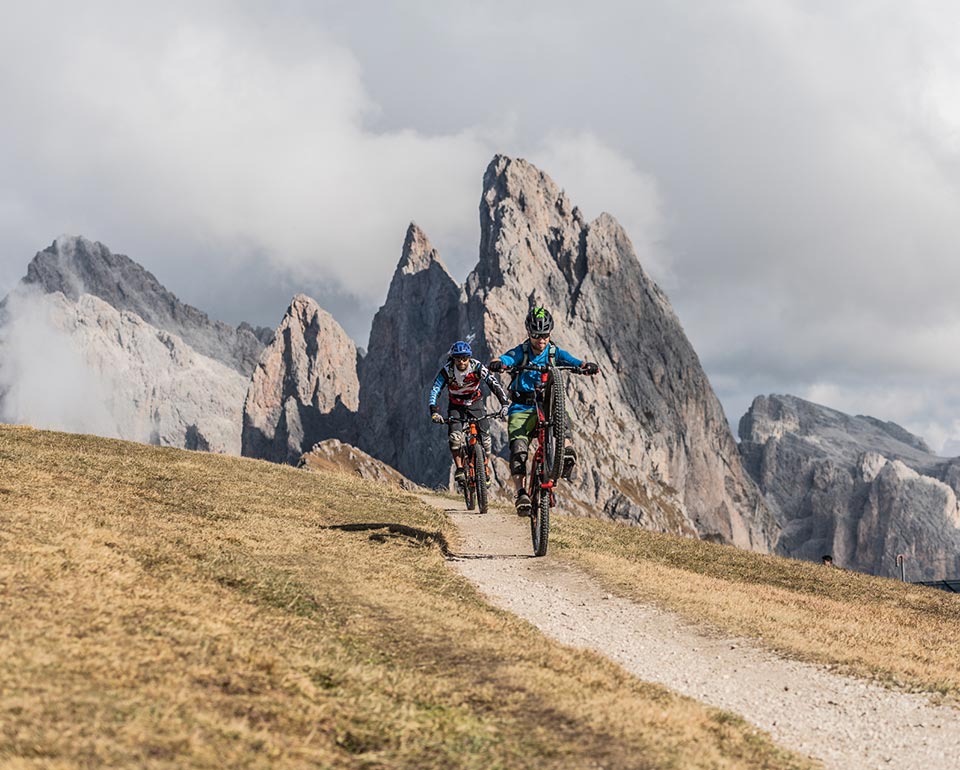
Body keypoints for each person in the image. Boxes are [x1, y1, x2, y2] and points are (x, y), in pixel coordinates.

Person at [488, 307, 598, 514]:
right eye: (537, 335)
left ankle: (565, 451)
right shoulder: (522, 351)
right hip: (522, 407)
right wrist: (498, 363)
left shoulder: (555, 352)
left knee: (562, 419)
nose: (541, 340)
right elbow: (507, 358)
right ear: (529, 333)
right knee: (519, 449)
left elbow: (573, 361)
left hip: (547, 405)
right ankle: (521, 494)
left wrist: (585, 366)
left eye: (545, 335)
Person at [429, 340, 509, 487]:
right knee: (455, 438)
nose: (461, 361)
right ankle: (460, 468)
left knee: (485, 439)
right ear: (453, 358)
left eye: (465, 358)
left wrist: (504, 404)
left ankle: (484, 467)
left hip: (475, 403)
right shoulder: (447, 371)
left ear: (469, 357)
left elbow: (493, 383)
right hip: (456, 405)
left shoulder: (477, 367)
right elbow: (436, 389)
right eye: (458, 358)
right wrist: (434, 411)